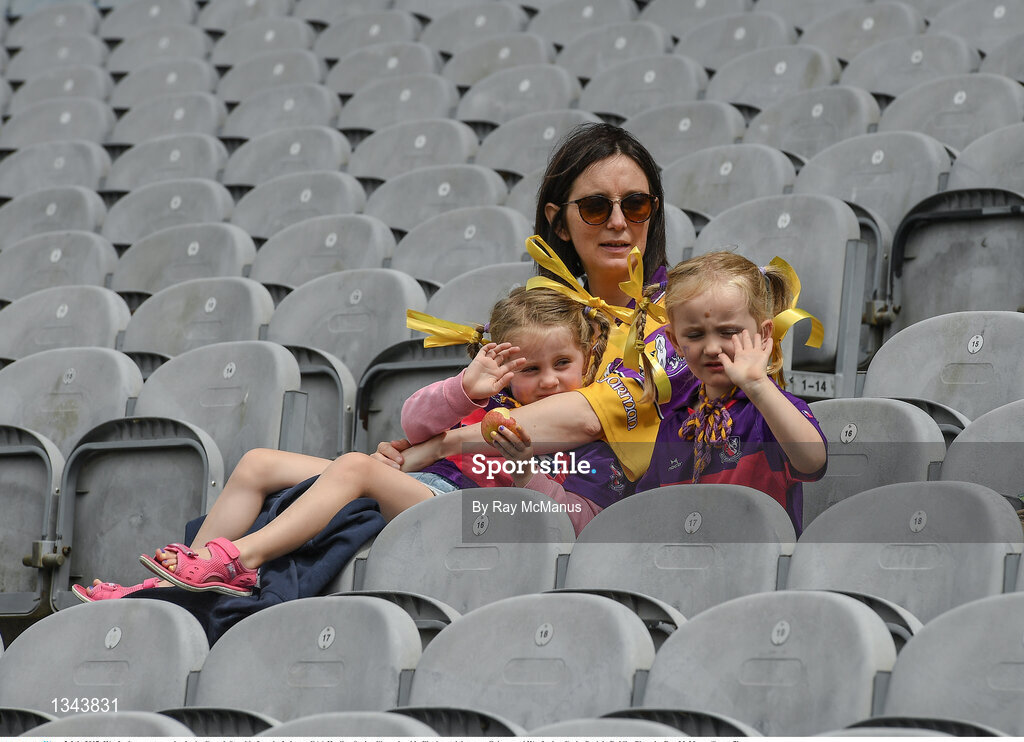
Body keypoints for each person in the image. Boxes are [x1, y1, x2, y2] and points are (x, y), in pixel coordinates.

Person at [74, 287, 629, 600]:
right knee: (258, 462)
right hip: (426, 487)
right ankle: (179, 576)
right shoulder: (493, 403)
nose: (550, 380)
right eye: (530, 368)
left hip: (474, 514)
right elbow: (414, 422)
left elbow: (577, 519)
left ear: (589, 361)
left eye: (563, 364)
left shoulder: (589, 427)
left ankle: (238, 559)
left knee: (355, 468)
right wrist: (466, 389)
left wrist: (523, 475)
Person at [378, 122, 691, 487]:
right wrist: (406, 455)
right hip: (475, 490)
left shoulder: (683, 317)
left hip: (580, 514)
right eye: (595, 207)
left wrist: (440, 446)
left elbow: (589, 416)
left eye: (637, 204)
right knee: (342, 479)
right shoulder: (545, 316)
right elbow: (490, 409)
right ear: (558, 224)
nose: (619, 222)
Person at [633, 251, 829, 534]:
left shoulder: (770, 410)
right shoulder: (674, 424)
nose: (712, 348)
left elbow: (813, 461)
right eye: (695, 335)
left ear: (763, 335)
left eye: (728, 333)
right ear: (674, 340)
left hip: (758, 571)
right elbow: (648, 512)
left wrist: (758, 386)